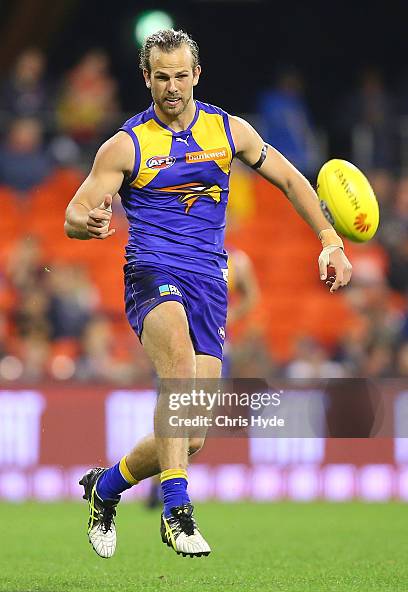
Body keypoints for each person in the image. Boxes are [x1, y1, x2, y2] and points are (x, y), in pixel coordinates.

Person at [64, 29, 352, 559]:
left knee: (190, 437)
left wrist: (330, 240)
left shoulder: (228, 131)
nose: (172, 87)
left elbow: (290, 179)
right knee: (174, 357)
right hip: (152, 273)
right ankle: (177, 510)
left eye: (180, 75)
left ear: (196, 75)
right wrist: (91, 222)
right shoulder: (126, 144)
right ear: (146, 78)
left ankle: (104, 489)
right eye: (161, 77)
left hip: (209, 283)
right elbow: (74, 212)